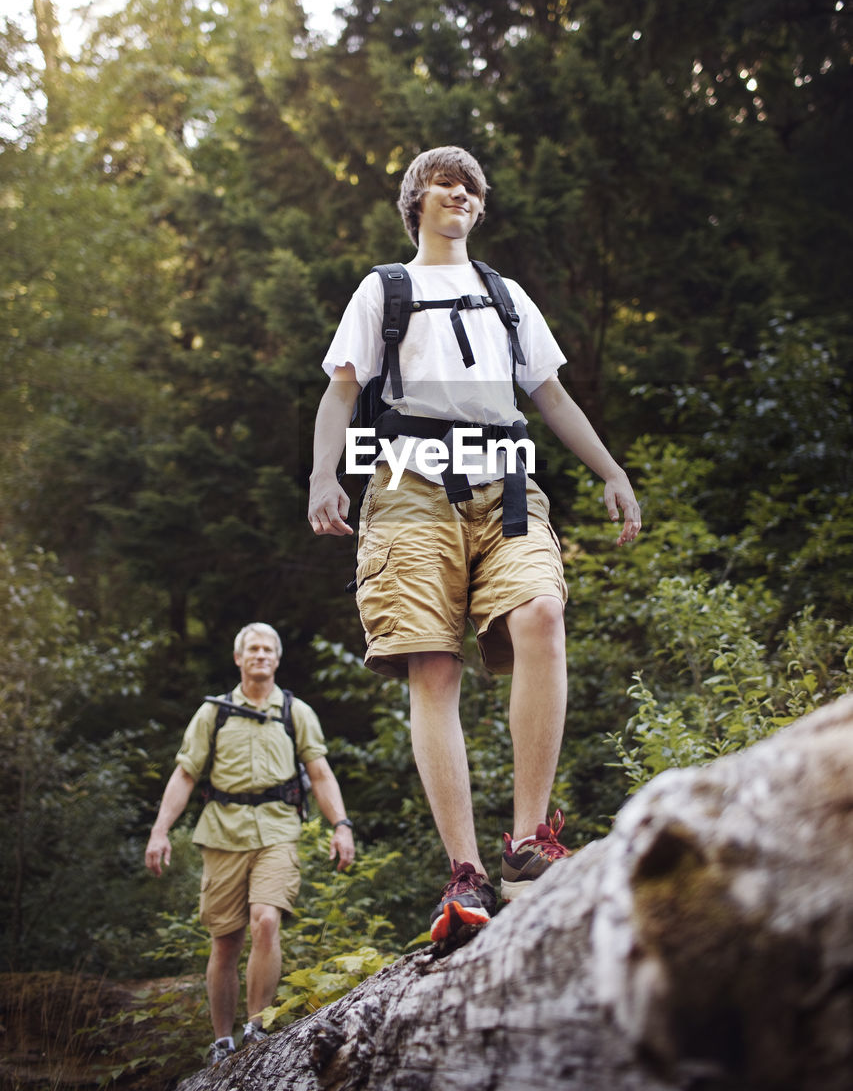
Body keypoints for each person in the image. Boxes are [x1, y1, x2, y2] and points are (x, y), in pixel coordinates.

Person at [308, 145, 641, 945]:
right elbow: (342, 389)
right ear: (415, 201)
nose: (458, 193)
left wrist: (610, 471)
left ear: (479, 208)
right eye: (442, 183)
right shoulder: (384, 288)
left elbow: (549, 393)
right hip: (406, 486)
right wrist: (325, 475)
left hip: (506, 484)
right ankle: (465, 870)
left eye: (470, 186)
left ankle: (529, 840)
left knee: (539, 616)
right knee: (432, 663)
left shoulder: (505, 295)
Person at [144, 622, 355, 1065]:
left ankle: (257, 1029)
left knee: (266, 921)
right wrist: (160, 830)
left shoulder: (296, 713)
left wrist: (341, 824)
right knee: (225, 941)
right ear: (239, 659)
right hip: (222, 834)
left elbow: (320, 773)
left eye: (267, 650)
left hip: (278, 830)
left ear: (277, 659)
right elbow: (185, 774)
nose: (260, 655)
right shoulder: (213, 714)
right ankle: (222, 1041)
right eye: (252, 649)